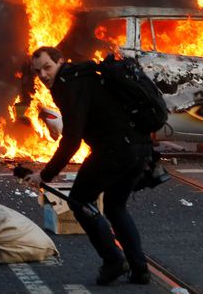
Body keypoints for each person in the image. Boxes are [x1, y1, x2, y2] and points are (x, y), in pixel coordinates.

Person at [26, 46, 151, 286]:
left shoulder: (67, 85)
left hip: (115, 150)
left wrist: (46, 174)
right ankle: (140, 270)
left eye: (47, 67)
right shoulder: (83, 75)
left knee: (78, 200)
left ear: (60, 61)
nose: (43, 75)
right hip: (139, 147)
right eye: (38, 71)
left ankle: (113, 261)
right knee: (115, 206)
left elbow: (72, 138)